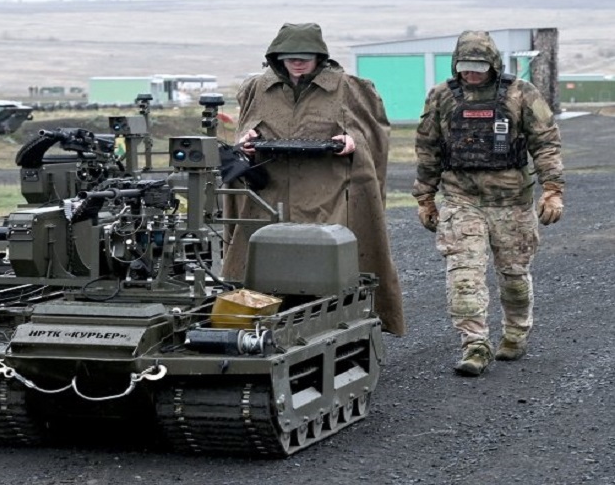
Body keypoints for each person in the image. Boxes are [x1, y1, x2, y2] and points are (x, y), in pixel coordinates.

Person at [222, 22, 405, 336]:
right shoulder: (257, 88)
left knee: (330, 267)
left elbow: (373, 136)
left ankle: (337, 328)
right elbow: (245, 131)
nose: (297, 62)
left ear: (319, 56)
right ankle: (263, 331)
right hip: (270, 196)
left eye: (305, 57)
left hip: (330, 195)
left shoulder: (349, 88)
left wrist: (354, 143)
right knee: (265, 264)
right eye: (289, 57)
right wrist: (246, 142)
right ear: (277, 57)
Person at [413, 30, 564, 376]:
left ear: (493, 65)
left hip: (512, 202)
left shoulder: (522, 93)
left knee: (513, 276)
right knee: (464, 275)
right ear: (455, 64)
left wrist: (553, 189)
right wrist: (425, 198)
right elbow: (427, 150)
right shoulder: (441, 96)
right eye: (464, 67)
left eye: (478, 67)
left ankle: (515, 333)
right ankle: (475, 345)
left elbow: (546, 143)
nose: (471, 73)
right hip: (460, 199)